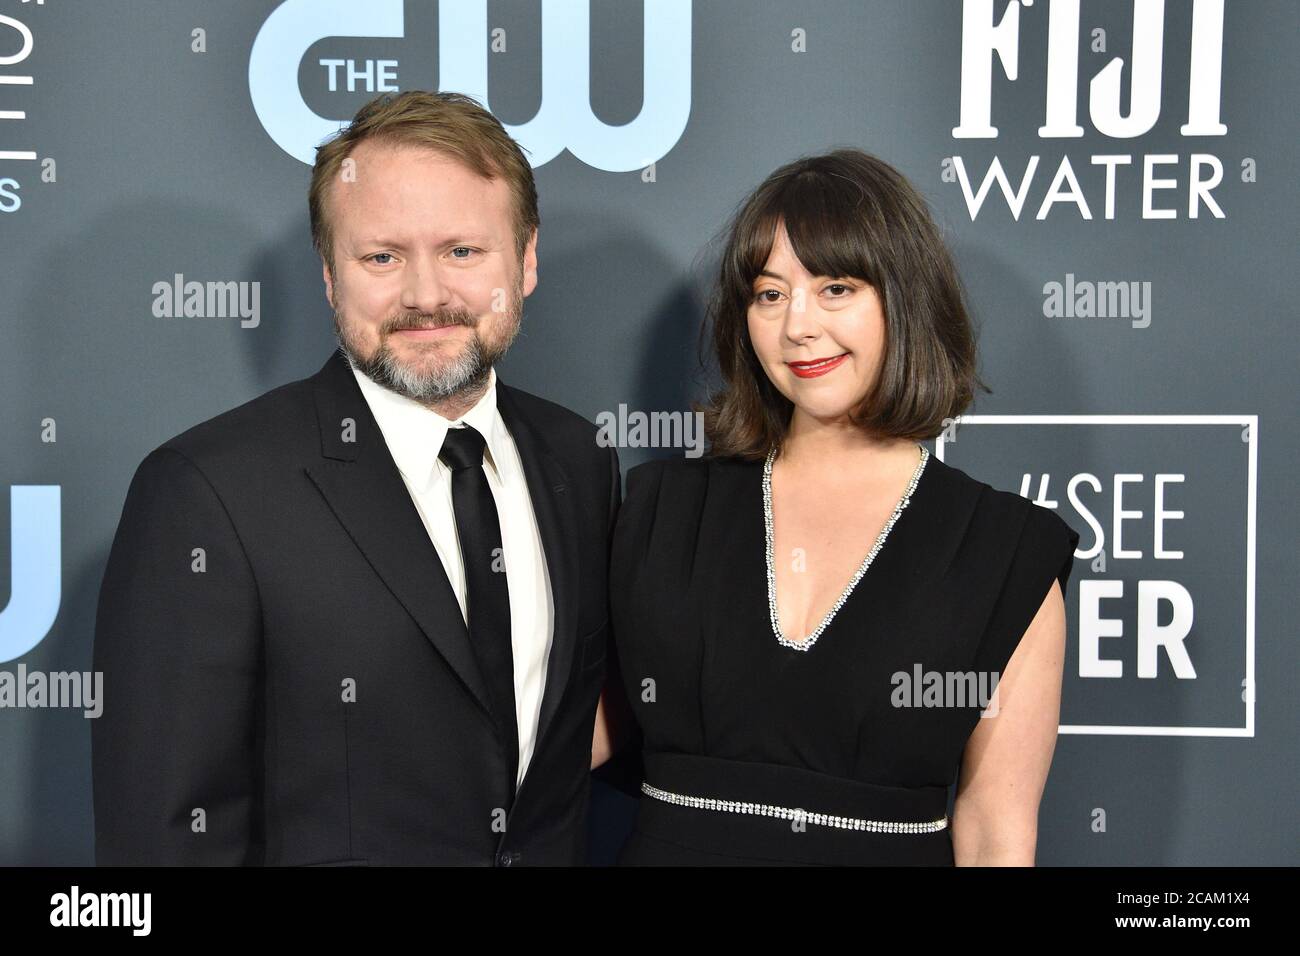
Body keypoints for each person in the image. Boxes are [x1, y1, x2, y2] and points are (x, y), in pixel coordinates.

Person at [92, 91, 620, 866]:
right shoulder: (209, 492)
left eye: (463, 252)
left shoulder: (577, 458)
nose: (426, 295)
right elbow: (163, 836)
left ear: (528, 259)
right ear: (330, 274)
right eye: (382, 257)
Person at [603, 148, 1081, 865]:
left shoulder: (1005, 554)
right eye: (769, 294)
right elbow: (576, 732)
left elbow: (995, 831)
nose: (797, 325)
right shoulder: (662, 508)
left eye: (835, 288)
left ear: (905, 298)